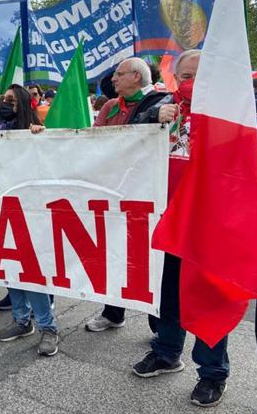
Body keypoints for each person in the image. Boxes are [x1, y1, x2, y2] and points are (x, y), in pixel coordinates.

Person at [131, 50, 230, 408]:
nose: (188, 83)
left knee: (206, 300)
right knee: (167, 295)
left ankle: (212, 374)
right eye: (183, 76)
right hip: (166, 222)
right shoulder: (164, 106)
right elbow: (127, 135)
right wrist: (153, 118)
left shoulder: (229, 114)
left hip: (207, 225)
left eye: (196, 76)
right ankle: (166, 352)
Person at [84, 57, 167, 332]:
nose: (114, 79)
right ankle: (112, 312)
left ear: (136, 76)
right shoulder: (109, 106)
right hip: (113, 189)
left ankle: (159, 326)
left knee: (151, 258)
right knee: (114, 253)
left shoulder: (160, 103)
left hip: (146, 192)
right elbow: (96, 142)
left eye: (119, 74)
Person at [0, 84, 58, 357]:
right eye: (3, 99)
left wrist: (40, 139)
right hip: (1, 206)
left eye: (11, 99)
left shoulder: (34, 130)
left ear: (22, 103)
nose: (5, 102)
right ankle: (21, 320)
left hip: (29, 210)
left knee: (30, 271)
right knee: (9, 267)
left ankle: (48, 326)